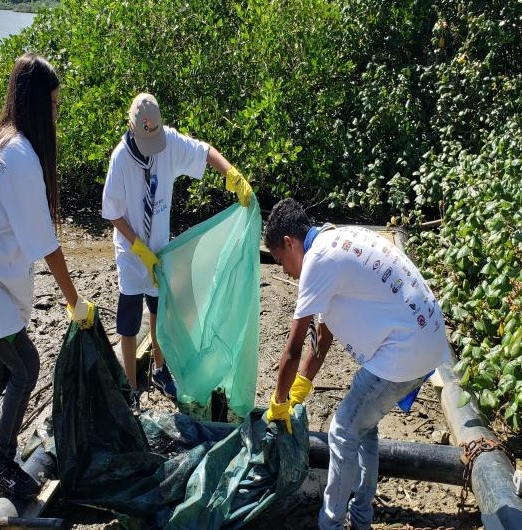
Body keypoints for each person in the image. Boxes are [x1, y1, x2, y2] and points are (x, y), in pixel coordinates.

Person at [0, 54, 95, 500]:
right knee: (26, 366)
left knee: (2, 366)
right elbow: (45, 244)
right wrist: (74, 301)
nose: (56, 113)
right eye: (53, 104)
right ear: (34, 103)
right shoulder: (20, 157)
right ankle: (2, 465)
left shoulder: (4, 142)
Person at [263, 198, 451, 530]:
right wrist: (300, 389)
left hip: (404, 352)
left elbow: (292, 350)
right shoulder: (335, 238)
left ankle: (330, 523)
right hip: (428, 342)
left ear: (289, 243)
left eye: (280, 261)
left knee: (343, 430)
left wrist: (278, 403)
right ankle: (362, 516)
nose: (284, 271)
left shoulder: (318, 260)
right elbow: (324, 333)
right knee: (364, 426)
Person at [101, 92, 253, 405]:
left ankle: (159, 368)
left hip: (162, 251)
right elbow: (113, 211)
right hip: (132, 254)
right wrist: (139, 249)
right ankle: (130, 385)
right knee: (128, 319)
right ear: (132, 128)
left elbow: (204, 151)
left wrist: (231, 174)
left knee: (160, 310)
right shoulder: (120, 159)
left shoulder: (167, 142)